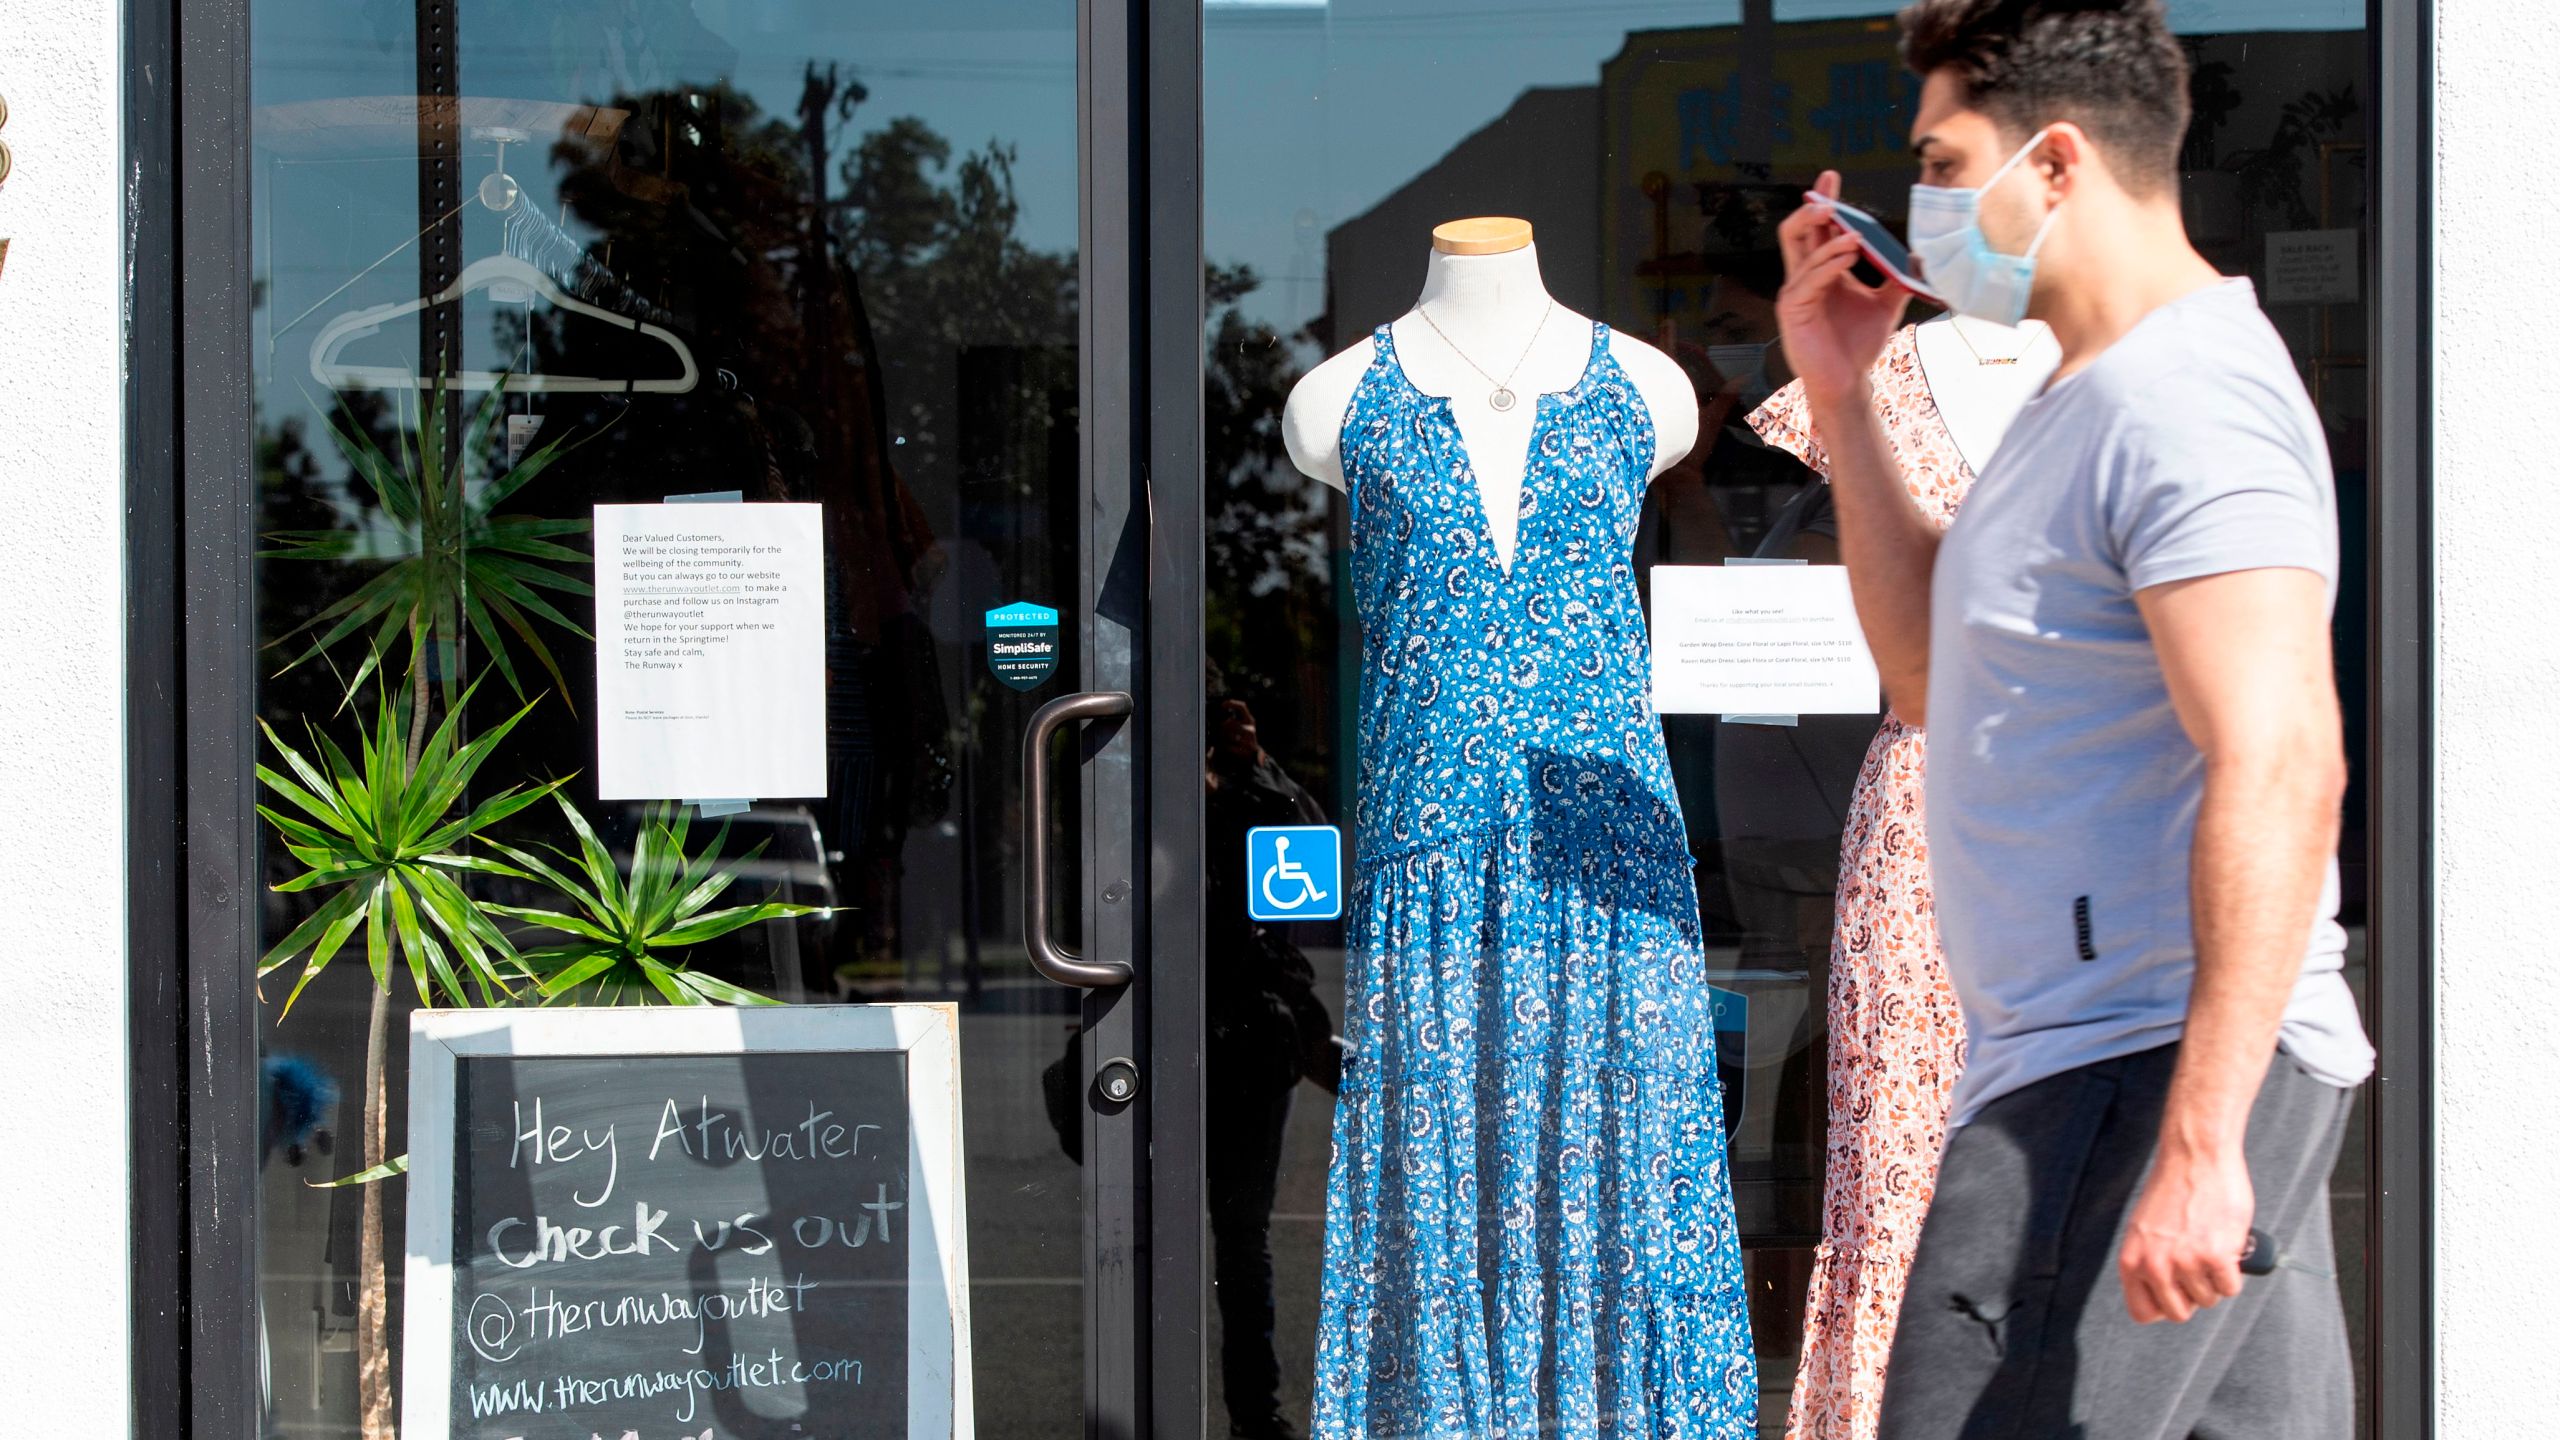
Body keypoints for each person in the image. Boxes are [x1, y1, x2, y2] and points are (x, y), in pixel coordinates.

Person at [1769, 2, 2374, 1436]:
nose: (1920, 204)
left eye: (1939, 158)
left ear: (2049, 161)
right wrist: (1845, 396)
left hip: (2129, 1067)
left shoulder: (2186, 402)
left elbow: (2285, 759)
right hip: (2100, 1059)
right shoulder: (2079, 400)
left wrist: (2203, 1134)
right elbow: (1925, 677)